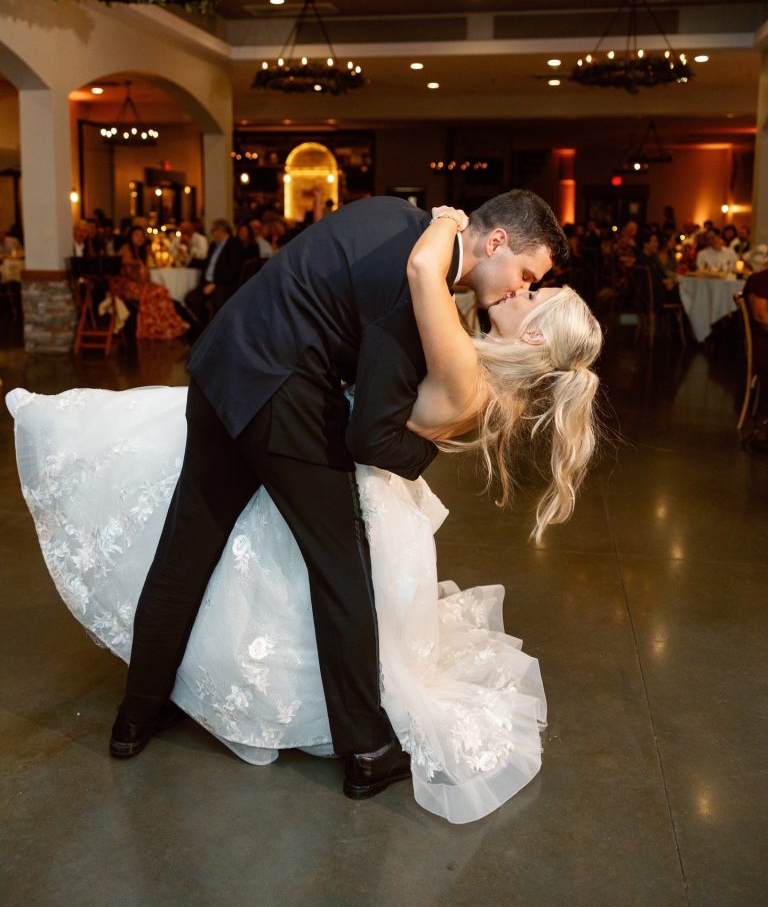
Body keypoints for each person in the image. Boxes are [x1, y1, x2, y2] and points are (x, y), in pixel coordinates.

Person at [7, 203, 601, 822]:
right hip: (280, 399)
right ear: (498, 241)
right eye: (527, 274)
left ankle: (136, 716)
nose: (520, 288)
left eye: (532, 287)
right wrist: (421, 451)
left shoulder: (394, 216)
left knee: (186, 548)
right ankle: (367, 749)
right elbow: (370, 437)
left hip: (222, 365)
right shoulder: (418, 286)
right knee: (341, 573)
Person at [111, 225, 189, 341]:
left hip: (141, 284)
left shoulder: (142, 251)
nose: (140, 238)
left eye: (141, 236)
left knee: (162, 290)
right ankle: (152, 326)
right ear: (130, 237)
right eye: (136, 235)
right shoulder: (126, 250)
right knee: (155, 292)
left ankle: (163, 326)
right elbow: (128, 273)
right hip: (127, 285)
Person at [184, 219, 244, 328]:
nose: (212, 234)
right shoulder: (213, 245)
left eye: (214, 231)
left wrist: (215, 284)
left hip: (224, 284)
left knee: (218, 298)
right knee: (190, 299)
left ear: (221, 231)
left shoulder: (234, 245)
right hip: (208, 282)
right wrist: (190, 260)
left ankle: (218, 328)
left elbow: (233, 269)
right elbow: (207, 263)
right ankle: (205, 325)